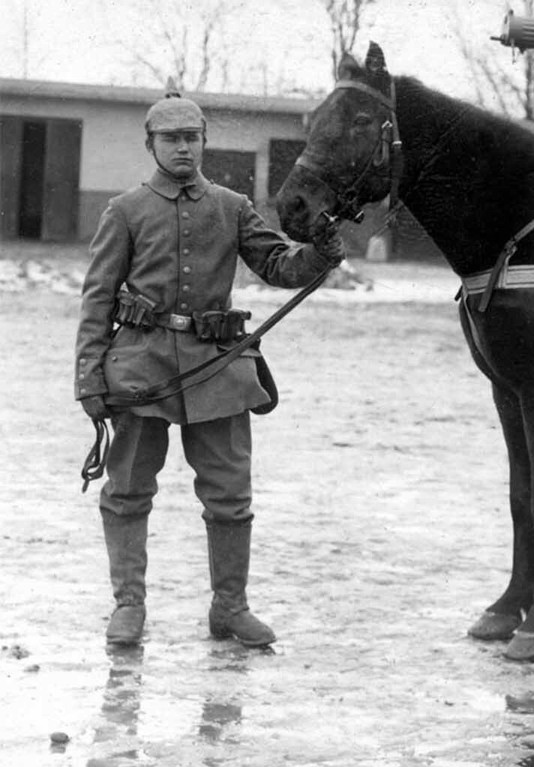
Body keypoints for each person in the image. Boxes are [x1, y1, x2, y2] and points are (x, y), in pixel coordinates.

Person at [75, 83, 345, 648]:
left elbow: (277, 263)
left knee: (230, 495)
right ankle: (129, 606)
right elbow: (98, 297)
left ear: (204, 141)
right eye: (171, 139)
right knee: (126, 491)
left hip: (217, 372)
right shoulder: (124, 211)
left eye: (192, 138)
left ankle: (230, 608)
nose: (184, 149)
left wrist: (319, 251)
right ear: (150, 144)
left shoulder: (232, 206)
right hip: (141, 369)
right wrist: (89, 376)